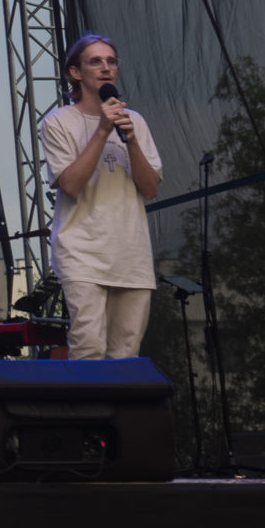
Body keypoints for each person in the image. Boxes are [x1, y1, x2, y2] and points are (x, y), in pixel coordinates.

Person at [40, 33, 163, 361]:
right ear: (75, 72)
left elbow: (150, 188)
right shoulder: (58, 122)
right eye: (95, 61)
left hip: (131, 252)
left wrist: (131, 140)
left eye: (111, 61)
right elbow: (71, 185)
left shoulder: (135, 121)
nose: (106, 68)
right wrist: (103, 130)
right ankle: (86, 398)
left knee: (126, 354)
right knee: (89, 347)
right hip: (82, 251)